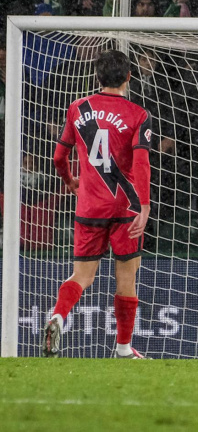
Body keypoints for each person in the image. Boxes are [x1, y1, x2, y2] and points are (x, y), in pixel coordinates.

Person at [45, 49, 152, 359]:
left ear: (97, 77)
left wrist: (69, 180)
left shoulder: (78, 109)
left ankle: (58, 317)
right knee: (126, 279)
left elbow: (57, 157)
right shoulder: (137, 114)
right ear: (129, 77)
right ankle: (122, 349)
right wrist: (144, 205)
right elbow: (142, 164)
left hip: (89, 207)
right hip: (125, 209)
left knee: (82, 277)